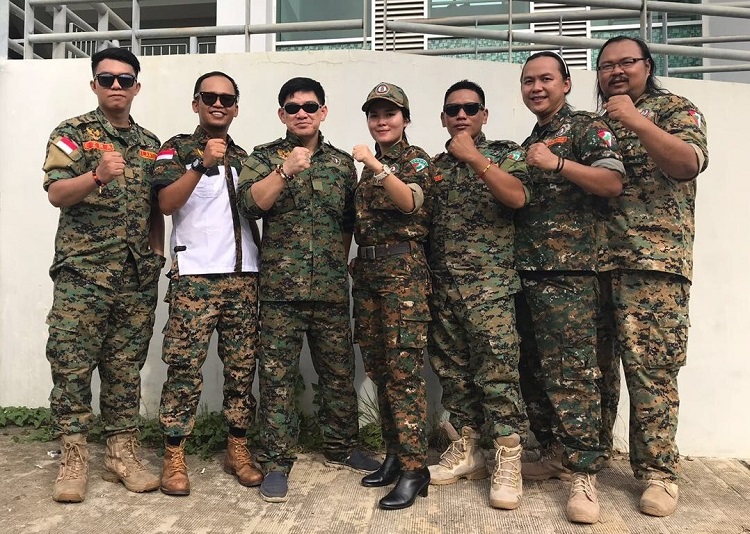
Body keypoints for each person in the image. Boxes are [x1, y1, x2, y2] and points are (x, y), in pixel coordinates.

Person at [237, 77, 380, 503]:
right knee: (277, 377)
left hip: (330, 290)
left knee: (338, 373)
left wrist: (335, 264)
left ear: (323, 112)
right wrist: (284, 171)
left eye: (310, 106)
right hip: (280, 292)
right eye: (293, 107)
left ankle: (342, 446)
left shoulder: (341, 164)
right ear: (282, 114)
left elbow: (348, 222)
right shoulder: (264, 157)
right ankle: (276, 460)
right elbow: (249, 206)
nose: (302, 113)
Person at [42, 47, 164, 503]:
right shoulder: (72, 133)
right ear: (94, 84)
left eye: (124, 79)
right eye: (107, 78)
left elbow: (156, 206)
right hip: (84, 273)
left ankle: (121, 453)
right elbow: (56, 193)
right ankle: (73, 457)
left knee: (124, 367)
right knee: (72, 364)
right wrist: (96, 176)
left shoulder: (150, 144)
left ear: (136, 87)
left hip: (135, 277)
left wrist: (156, 253)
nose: (116, 86)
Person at [595, 36, 708, 518]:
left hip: (653, 266)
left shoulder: (675, 109)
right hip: (595, 264)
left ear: (648, 65)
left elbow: (688, 164)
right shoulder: (595, 124)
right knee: (592, 370)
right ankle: (587, 460)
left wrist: (638, 121)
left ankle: (659, 473)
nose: (616, 72)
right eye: (607, 66)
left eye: (627, 62)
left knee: (651, 372)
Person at [516, 51, 625, 524]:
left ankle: (585, 473)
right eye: (528, 81)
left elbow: (612, 181)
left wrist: (558, 163)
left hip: (574, 274)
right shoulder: (531, 140)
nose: (536, 87)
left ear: (566, 83)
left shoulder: (585, 128)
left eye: (545, 79)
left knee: (573, 375)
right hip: (529, 272)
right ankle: (554, 453)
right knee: (534, 370)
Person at [152, 71, 263, 496]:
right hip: (195, 278)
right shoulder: (177, 148)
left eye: (227, 99)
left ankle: (238, 448)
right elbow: (166, 203)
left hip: (243, 276)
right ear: (195, 103)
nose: (219, 104)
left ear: (236, 107)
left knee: (241, 368)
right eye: (210, 97)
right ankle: (174, 454)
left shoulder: (246, 158)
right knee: (184, 368)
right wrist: (201, 163)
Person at [427, 80, 530, 511]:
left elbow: (518, 197)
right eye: (453, 109)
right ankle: (468, 451)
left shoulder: (505, 154)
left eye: (471, 108)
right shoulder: (434, 166)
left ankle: (507, 458)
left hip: (489, 288)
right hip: (444, 287)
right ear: (443, 118)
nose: (462, 115)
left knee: (498, 373)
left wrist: (475, 158)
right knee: (453, 372)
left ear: (484, 115)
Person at [351, 82, 435, 510]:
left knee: (404, 376)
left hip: (403, 281)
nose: (381, 121)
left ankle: (415, 469)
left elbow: (410, 203)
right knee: (380, 372)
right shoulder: (369, 169)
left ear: (405, 119)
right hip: (369, 277)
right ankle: (395, 455)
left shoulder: (415, 160)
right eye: (375, 114)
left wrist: (376, 166)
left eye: (390, 114)